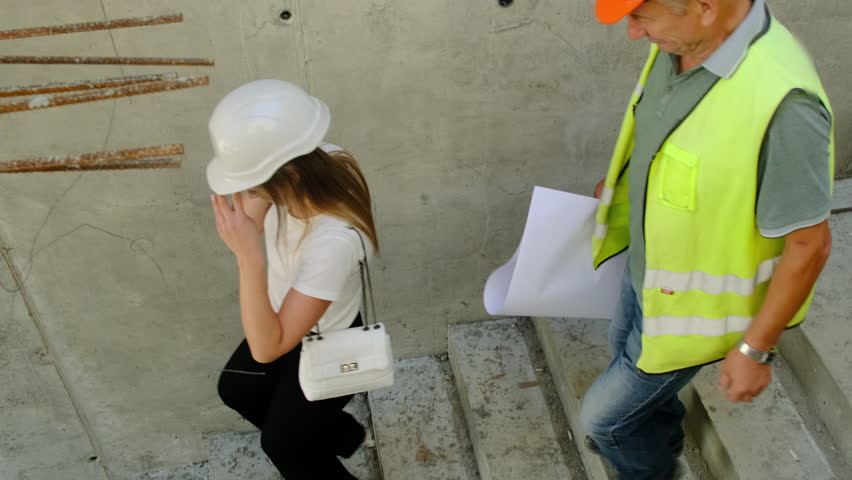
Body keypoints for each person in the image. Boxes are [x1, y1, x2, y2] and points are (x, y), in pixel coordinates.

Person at [581, 0, 835, 478]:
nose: (634, 34)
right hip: (647, 276)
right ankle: (663, 440)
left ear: (703, 7)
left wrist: (756, 350)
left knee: (605, 423)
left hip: (695, 319)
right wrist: (627, 188)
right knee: (637, 398)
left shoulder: (785, 108)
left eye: (642, 17)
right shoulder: (682, 42)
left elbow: (811, 244)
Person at [208, 79, 378, 479]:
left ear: (286, 178)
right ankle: (343, 436)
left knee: (283, 446)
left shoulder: (330, 243)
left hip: (326, 338)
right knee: (237, 390)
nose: (243, 195)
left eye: (250, 186)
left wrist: (249, 259)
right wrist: (253, 196)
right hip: (290, 317)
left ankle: (322, 443)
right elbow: (251, 218)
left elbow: (269, 347)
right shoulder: (326, 160)